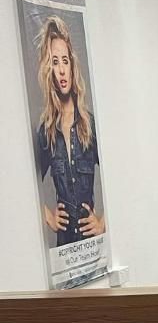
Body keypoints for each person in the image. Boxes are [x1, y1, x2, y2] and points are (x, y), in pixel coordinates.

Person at [34, 16, 105, 244]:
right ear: (49, 70)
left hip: (92, 249)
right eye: (55, 62)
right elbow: (25, 182)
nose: (62, 70)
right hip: (64, 250)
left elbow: (122, 174)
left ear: (72, 67)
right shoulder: (46, 132)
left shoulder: (90, 125)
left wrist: (102, 223)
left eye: (65, 61)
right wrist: (49, 217)